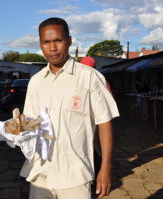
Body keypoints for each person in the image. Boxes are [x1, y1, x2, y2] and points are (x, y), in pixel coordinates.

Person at [21, 17, 119, 199]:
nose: (52, 48)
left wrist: (105, 168)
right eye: (46, 42)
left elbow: (105, 123)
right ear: (40, 44)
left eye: (57, 40)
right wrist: (17, 129)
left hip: (75, 175)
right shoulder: (36, 82)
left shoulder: (89, 77)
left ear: (69, 41)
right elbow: (29, 123)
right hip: (41, 173)